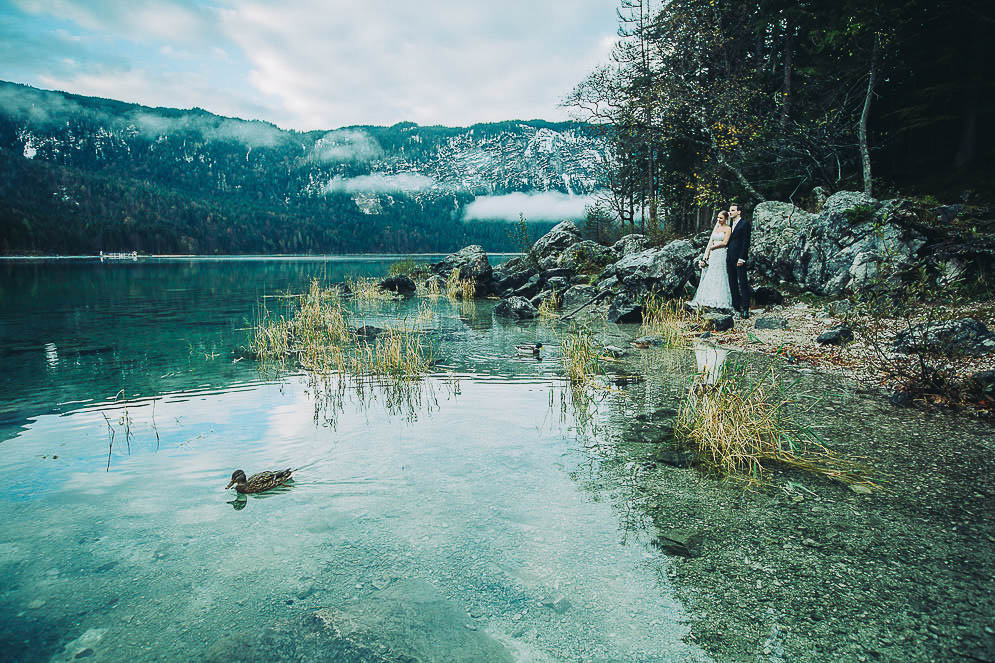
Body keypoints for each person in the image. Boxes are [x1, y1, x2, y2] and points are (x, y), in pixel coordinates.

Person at [690, 211, 733, 310]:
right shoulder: (716, 228)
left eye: (721, 218)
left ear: (726, 219)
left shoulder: (728, 229)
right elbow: (711, 242)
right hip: (713, 254)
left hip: (721, 253)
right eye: (718, 217)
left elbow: (725, 242)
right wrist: (707, 256)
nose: (719, 220)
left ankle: (720, 299)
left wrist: (714, 247)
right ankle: (708, 297)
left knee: (720, 274)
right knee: (711, 273)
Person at [725, 203, 752, 318]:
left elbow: (746, 242)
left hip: (739, 259)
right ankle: (736, 307)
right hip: (730, 258)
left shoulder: (744, 224)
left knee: (743, 283)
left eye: (732, 210)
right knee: (732, 283)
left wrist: (742, 258)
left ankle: (745, 308)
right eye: (730, 210)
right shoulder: (730, 225)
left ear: (739, 212)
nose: (730, 212)